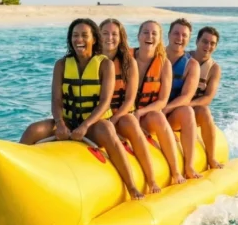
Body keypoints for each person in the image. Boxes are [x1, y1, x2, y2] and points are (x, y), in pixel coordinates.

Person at [20, 18, 144, 200]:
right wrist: (60, 124)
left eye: (84, 35)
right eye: (75, 35)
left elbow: (104, 102)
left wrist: (85, 126)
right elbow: (56, 99)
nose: (79, 40)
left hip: (94, 125)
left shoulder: (105, 65)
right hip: (68, 122)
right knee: (33, 129)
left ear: (94, 39)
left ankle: (131, 186)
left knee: (108, 130)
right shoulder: (61, 65)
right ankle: (14, 175)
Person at [100, 18, 161, 194]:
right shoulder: (92, 60)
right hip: (98, 116)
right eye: (105, 33)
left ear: (121, 38)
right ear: (98, 36)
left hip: (121, 114)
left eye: (114, 34)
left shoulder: (128, 63)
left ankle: (151, 179)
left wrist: (115, 118)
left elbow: (129, 99)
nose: (109, 38)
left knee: (131, 124)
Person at [133, 20, 186, 185]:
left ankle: (176, 171)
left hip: (145, 115)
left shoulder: (164, 64)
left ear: (160, 39)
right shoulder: (126, 59)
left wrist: (140, 112)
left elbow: (163, 100)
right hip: (124, 114)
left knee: (158, 117)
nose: (149, 36)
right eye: (145, 32)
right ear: (139, 36)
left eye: (154, 33)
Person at [163, 18, 202, 179]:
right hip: (148, 112)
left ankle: (189, 165)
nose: (179, 38)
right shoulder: (155, 56)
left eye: (184, 35)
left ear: (189, 38)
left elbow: (186, 97)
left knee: (187, 111)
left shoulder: (191, 65)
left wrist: (165, 109)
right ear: (168, 35)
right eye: (176, 34)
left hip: (170, 114)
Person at [189, 26, 224, 169]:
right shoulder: (184, 58)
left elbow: (208, 97)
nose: (208, 46)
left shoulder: (214, 68)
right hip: (172, 108)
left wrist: (186, 104)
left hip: (193, 110)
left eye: (212, 43)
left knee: (204, 110)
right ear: (197, 41)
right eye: (204, 41)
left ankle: (211, 157)